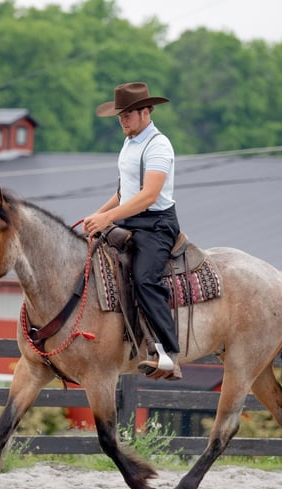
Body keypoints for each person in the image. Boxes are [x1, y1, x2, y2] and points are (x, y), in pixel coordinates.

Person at [83, 82, 182, 380]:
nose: (123, 120)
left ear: (145, 111)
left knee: (144, 278)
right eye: (120, 115)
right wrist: (98, 216)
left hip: (156, 224)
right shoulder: (130, 142)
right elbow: (125, 192)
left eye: (128, 114)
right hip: (127, 219)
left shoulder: (158, 146)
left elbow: (148, 196)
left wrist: (108, 218)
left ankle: (166, 353)